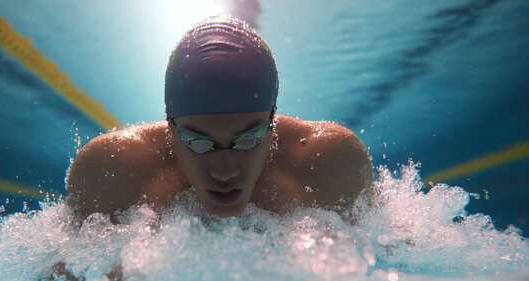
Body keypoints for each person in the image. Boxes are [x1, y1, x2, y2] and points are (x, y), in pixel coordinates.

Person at [66, 16, 373, 225]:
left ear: (272, 124)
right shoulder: (109, 174)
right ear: (170, 128)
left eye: (248, 140)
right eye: (199, 143)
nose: (225, 171)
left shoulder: (331, 164)